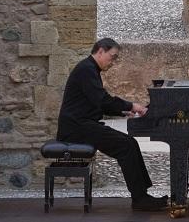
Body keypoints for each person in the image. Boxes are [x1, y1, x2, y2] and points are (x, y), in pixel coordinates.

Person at [56, 37, 168, 211]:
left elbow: (97, 102)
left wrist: (123, 111)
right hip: (76, 128)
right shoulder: (86, 70)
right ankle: (140, 199)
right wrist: (132, 106)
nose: (113, 62)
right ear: (100, 51)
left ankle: (142, 195)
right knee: (125, 146)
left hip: (83, 124)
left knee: (130, 142)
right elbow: (102, 100)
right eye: (112, 56)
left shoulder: (89, 69)